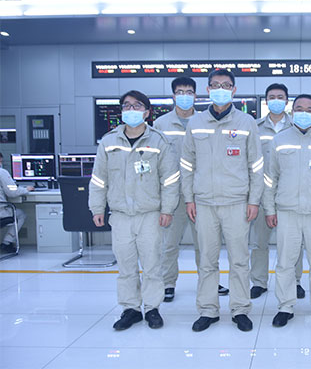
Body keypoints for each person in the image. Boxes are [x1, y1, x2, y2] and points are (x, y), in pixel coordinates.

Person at [89, 90, 180, 331]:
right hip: (120, 216)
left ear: (147, 112)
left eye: (137, 105)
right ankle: (130, 309)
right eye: (126, 106)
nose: (131, 110)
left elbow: (170, 180)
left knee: (152, 265)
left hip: (150, 214)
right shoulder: (109, 142)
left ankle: (152, 308)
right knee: (126, 266)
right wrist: (97, 207)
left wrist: (168, 209)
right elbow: (98, 179)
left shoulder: (159, 141)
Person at [181, 69, 263, 332]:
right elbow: (187, 164)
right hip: (204, 203)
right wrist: (189, 198)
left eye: (225, 85)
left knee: (239, 259)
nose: (220, 89)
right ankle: (208, 310)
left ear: (234, 90)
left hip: (237, 202)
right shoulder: (195, 123)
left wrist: (254, 200)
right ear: (207, 89)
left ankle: (240, 309)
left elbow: (256, 165)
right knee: (207, 260)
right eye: (215, 85)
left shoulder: (246, 122)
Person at [263, 94, 311, 328]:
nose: (304, 113)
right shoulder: (279, 140)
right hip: (287, 212)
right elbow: (270, 179)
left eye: (309, 109)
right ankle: (285, 307)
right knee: (285, 263)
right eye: (299, 108)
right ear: (292, 111)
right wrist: (270, 209)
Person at [154, 77, 228, 303]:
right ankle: (167, 283)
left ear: (196, 95)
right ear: (173, 96)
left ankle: (209, 283)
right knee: (169, 244)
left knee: (206, 244)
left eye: (189, 92)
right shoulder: (161, 124)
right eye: (180, 92)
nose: (184, 96)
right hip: (172, 195)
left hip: (201, 193)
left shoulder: (205, 121)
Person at [250, 83, 305, 300]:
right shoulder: (255, 127)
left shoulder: (297, 126)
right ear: (266, 101)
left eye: (280, 97)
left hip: (289, 194)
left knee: (294, 243)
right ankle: (259, 281)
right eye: (271, 97)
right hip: (260, 193)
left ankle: (295, 281)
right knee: (259, 242)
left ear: (287, 101)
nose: (276, 100)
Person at [0, 152, 33, 254]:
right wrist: (26, 189)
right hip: (1, 212)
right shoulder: (2, 172)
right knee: (21, 214)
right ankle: (7, 242)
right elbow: (12, 192)